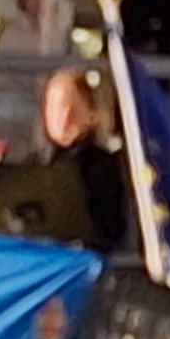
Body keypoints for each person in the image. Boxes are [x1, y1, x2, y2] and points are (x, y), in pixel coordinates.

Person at [41, 70, 126, 254]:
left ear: (90, 114)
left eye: (69, 105)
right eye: (53, 105)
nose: (63, 116)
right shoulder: (37, 163)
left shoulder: (104, 168)